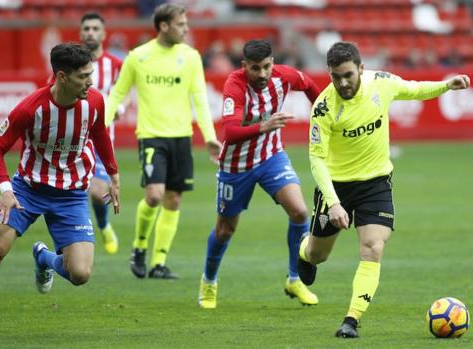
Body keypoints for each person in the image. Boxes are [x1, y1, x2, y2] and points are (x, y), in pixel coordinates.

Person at [0, 43, 121, 342]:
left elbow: (99, 135)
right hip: (27, 190)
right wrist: (6, 190)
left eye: (91, 75)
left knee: (80, 275)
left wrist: (113, 173)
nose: (91, 82)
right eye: (83, 76)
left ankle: (44, 258)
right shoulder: (31, 108)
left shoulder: (94, 101)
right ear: (61, 76)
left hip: (71, 194)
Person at [297, 41, 470, 338]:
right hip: (336, 188)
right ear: (329, 73)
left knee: (373, 247)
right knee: (317, 255)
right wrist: (333, 203)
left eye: (348, 75)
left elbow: (414, 89)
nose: (342, 82)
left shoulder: (382, 83)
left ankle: (351, 320)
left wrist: (446, 85)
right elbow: (316, 159)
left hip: (375, 183)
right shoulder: (323, 107)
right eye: (335, 76)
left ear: (361, 70)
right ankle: (303, 251)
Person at [197, 39, 321, 309]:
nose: (262, 73)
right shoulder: (235, 84)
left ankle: (294, 278)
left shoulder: (284, 76)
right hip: (236, 166)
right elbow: (229, 132)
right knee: (225, 229)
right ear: (245, 66)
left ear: (272, 62)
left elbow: (310, 85)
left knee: (300, 212)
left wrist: (322, 114)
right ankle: (209, 281)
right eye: (256, 68)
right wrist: (265, 126)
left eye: (266, 66)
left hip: (271, 157)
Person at [104, 3, 221, 279]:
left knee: (174, 200)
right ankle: (139, 247)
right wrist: (101, 124)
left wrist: (210, 136)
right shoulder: (138, 57)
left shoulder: (190, 57)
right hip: (152, 137)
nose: (186, 29)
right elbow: (118, 94)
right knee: (154, 195)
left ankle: (158, 263)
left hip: (181, 138)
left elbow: (200, 99)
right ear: (164, 26)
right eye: (181, 24)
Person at [80, 12, 123, 254]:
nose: (90, 33)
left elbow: (124, 91)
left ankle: (104, 225)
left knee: (98, 193)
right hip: (73, 138)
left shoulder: (115, 65)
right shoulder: (71, 62)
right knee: (74, 191)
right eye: (86, 28)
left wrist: (121, 107)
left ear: (103, 34)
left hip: (102, 139)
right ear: (80, 32)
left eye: (95, 29)